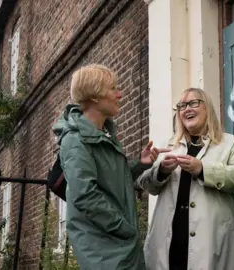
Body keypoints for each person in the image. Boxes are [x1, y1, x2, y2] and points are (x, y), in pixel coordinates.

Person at [52, 64, 168, 269]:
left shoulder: (103, 134)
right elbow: (85, 195)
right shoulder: (75, 139)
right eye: (113, 88)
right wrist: (124, 228)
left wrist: (139, 164)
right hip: (104, 250)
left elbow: (113, 181)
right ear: (95, 96)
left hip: (119, 245)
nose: (119, 94)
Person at [137, 88, 234, 270]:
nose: (187, 109)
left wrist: (203, 169)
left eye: (193, 103)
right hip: (171, 240)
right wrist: (161, 171)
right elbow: (145, 185)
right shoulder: (169, 145)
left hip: (211, 239)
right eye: (182, 106)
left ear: (208, 108)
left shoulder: (229, 143)